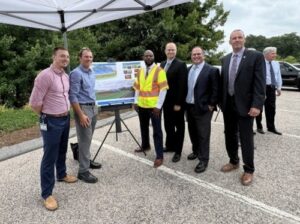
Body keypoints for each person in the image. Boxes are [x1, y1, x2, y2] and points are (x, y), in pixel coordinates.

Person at [29, 47, 77, 211]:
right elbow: (34, 102)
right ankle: (47, 194)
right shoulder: (45, 76)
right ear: (54, 57)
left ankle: (62, 174)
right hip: (51, 121)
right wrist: (45, 115)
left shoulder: (65, 76)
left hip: (65, 118)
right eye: (62, 56)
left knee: (62, 150)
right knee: (49, 156)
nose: (65, 58)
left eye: (67, 56)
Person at [219, 29, 266, 186]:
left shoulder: (256, 57)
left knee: (246, 138)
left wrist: (257, 105)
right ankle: (233, 161)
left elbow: (260, 83)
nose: (237, 40)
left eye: (240, 37)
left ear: (244, 39)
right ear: (230, 41)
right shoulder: (225, 59)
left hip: (246, 106)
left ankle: (249, 169)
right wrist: (221, 102)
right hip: (228, 105)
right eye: (234, 38)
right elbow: (223, 82)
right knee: (229, 135)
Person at [69, 47, 101, 184]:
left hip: (93, 107)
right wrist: (81, 115)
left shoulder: (91, 71)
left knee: (88, 138)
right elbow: (73, 96)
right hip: (83, 109)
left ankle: (85, 159)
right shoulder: (76, 73)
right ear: (80, 58)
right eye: (86, 56)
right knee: (84, 139)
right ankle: (83, 171)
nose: (89, 59)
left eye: (90, 57)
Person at [185, 46, 220, 173]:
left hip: (204, 108)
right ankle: (196, 151)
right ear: (191, 56)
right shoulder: (188, 70)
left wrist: (211, 104)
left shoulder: (211, 70)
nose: (196, 56)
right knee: (192, 131)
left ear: (203, 55)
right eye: (194, 54)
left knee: (203, 134)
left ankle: (204, 159)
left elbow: (216, 89)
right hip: (189, 106)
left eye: (198, 54)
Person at [133, 50, 169, 168]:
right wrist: (135, 101)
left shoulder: (160, 71)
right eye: (146, 55)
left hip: (154, 108)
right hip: (142, 106)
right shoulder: (140, 71)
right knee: (143, 127)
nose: (148, 57)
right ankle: (145, 145)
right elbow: (137, 88)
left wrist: (158, 106)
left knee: (157, 132)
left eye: (151, 55)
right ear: (143, 57)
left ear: (154, 57)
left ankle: (159, 156)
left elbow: (163, 90)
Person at [160, 42, 188, 162]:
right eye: (169, 50)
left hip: (176, 103)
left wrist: (179, 103)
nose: (171, 51)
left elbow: (183, 85)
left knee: (179, 127)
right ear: (165, 51)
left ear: (176, 51)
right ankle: (170, 145)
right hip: (165, 102)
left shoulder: (181, 65)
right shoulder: (162, 64)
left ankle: (178, 151)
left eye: (173, 50)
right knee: (168, 125)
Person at [255, 47, 282, 135]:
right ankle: (259, 127)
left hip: (272, 88)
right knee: (259, 108)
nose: (275, 55)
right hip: (261, 88)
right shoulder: (260, 63)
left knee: (271, 108)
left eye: (275, 53)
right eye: (273, 53)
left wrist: (279, 87)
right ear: (266, 54)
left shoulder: (276, 63)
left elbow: (278, 76)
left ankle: (271, 127)